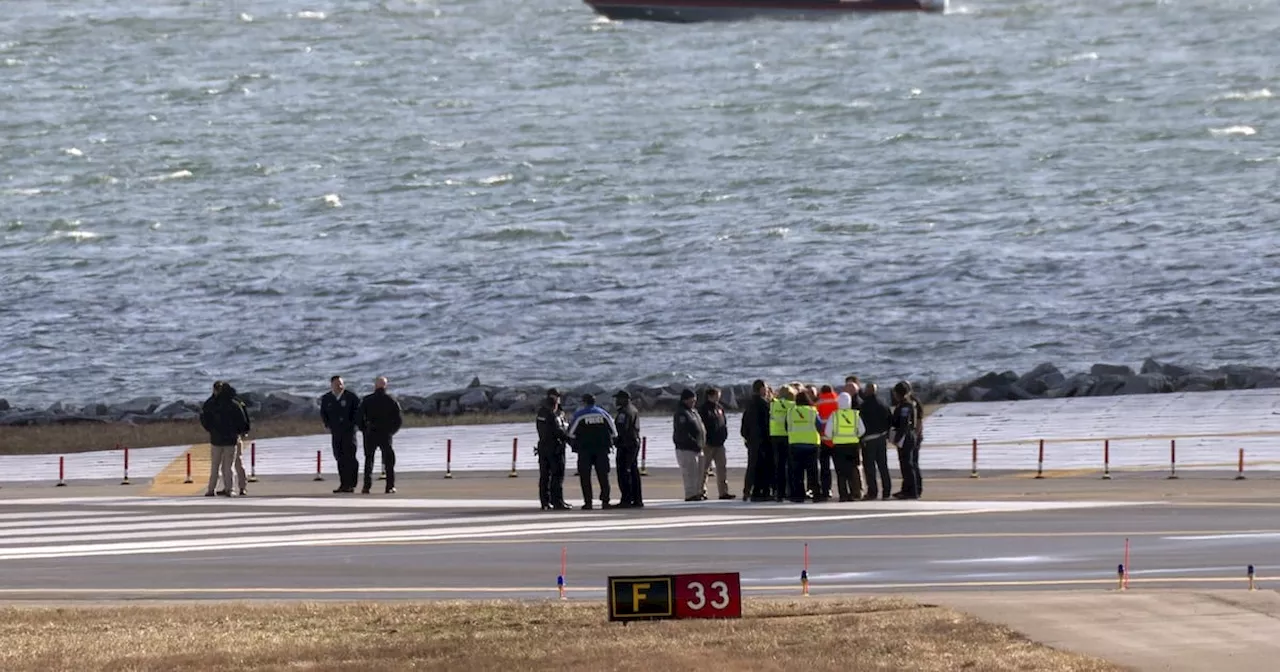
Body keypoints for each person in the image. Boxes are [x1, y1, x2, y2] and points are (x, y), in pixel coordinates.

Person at [199, 380, 250, 498]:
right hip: (231, 439)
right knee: (230, 466)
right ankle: (231, 489)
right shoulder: (235, 403)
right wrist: (240, 432)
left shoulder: (210, 403)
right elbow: (242, 420)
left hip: (216, 439)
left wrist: (211, 430)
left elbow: (204, 418)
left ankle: (211, 489)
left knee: (215, 466)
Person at [568, 393, 617, 510]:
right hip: (602, 450)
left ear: (584, 402)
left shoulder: (579, 415)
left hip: (585, 450)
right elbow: (614, 432)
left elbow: (570, 433)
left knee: (585, 477)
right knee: (603, 476)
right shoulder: (604, 414)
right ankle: (605, 501)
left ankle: (588, 502)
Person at [358, 376, 403, 494]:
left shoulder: (367, 400)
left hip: (370, 432)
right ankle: (389, 486)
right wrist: (392, 431)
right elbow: (398, 419)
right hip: (385, 433)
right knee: (389, 461)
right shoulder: (391, 400)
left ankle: (366, 486)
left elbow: (358, 418)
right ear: (385, 386)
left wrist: (364, 429)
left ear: (375, 385)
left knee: (369, 460)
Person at [320, 375, 362, 493]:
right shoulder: (327, 398)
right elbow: (323, 413)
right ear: (332, 385)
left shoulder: (351, 397)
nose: (339, 386)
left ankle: (351, 484)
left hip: (349, 432)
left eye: (341, 383)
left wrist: (354, 426)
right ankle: (343, 484)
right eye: (337, 384)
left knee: (350, 458)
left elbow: (358, 412)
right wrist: (327, 425)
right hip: (336, 433)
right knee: (339, 458)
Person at [824, 392, 866, 502]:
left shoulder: (834, 415)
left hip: (839, 447)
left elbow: (828, 432)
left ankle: (843, 495)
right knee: (853, 471)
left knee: (841, 472)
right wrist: (854, 435)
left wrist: (836, 436)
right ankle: (854, 493)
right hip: (853, 446)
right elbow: (862, 430)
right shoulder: (855, 415)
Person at [535, 388, 571, 511]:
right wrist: (571, 440)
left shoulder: (547, 412)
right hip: (553, 448)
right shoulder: (549, 413)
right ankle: (556, 502)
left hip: (546, 446)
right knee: (556, 475)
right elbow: (557, 431)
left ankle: (546, 501)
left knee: (546, 476)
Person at [785, 390, 823, 502]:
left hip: (795, 444)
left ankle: (798, 496)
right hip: (812, 445)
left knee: (797, 473)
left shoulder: (790, 412)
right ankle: (816, 495)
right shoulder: (812, 411)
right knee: (813, 472)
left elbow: (786, 427)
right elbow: (820, 426)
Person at [696, 387, 733, 500]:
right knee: (704, 469)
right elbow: (701, 427)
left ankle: (723, 492)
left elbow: (723, 422)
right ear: (710, 396)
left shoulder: (720, 408)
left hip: (720, 443)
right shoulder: (704, 409)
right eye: (717, 395)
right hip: (708, 444)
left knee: (722, 468)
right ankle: (701, 491)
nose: (718, 397)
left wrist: (724, 435)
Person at [859, 383, 893, 501]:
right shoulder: (883, 403)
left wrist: (860, 438)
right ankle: (886, 491)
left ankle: (872, 492)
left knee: (870, 467)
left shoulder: (863, 406)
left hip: (869, 439)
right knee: (883, 466)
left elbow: (860, 424)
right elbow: (890, 419)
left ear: (867, 391)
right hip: (882, 438)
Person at [739, 379, 772, 501]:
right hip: (763, 440)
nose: (767, 390)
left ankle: (748, 491)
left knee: (752, 466)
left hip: (752, 441)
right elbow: (767, 423)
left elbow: (744, 425)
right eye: (766, 388)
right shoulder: (763, 404)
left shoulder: (750, 405)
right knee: (762, 466)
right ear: (761, 389)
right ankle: (760, 492)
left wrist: (746, 437)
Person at [673, 388, 707, 501]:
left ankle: (698, 493)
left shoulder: (693, 412)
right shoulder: (681, 413)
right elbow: (683, 433)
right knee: (689, 473)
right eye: (692, 400)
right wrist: (694, 444)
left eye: (695, 400)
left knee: (698, 473)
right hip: (686, 448)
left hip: (698, 448)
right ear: (685, 400)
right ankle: (690, 494)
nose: (694, 403)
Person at [612, 390, 644, 508]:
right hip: (634, 443)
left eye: (618, 399)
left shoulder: (624, 412)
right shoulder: (633, 409)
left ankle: (626, 499)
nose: (616, 401)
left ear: (625, 399)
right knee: (634, 471)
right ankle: (637, 499)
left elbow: (622, 430)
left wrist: (615, 441)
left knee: (624, 472)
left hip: (626, 445)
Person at [891, 381, 922, 500]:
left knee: (908, 465)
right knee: (906, 464)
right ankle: (907, 489)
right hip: (909, 435)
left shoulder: (905, 406)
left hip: (906, 436)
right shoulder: (906, 404)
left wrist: (897, 439)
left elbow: (904, 424)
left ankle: (912, 491)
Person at [767, 385, 794, 502]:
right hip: (787, 436)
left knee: (779, 466)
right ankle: (789, 490)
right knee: (789, 465)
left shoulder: (774, 405)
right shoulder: (792, 405)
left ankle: (779, 492)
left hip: (775, 436)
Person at [815, 384, 840, 499]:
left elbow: (816, 421)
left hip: (824, 439)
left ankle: (826, 490)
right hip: (837, 439)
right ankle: (842, 491)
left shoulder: (819, 403)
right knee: (839, 468)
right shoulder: (837, 401)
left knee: (825, 468)